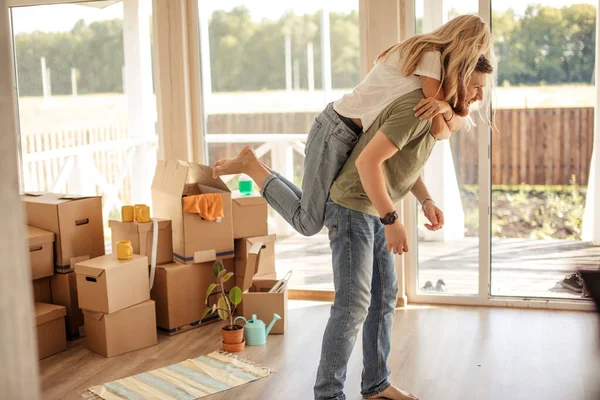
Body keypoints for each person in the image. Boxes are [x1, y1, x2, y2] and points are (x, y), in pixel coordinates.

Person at [214, 55, 494, 399]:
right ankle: (328, 394)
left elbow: (404, 163)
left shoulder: (435, 114)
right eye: (477, 87)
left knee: (384, 295)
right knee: (353, 304)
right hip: (353, 207)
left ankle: (375, 384)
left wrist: (426, 200)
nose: (480, 95)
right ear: (458, 79)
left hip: (371, 206)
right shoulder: (416, 109)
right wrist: (392, 219)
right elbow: (367, 162)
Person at [213, 15, 492, 238]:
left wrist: (445, 108)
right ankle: (251, 166)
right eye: (475, 52)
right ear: (463, 45)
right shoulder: (430, 56)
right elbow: (440, 130)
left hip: (351, 133)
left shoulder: (428, 56)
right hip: (336, 129)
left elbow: (444, 124)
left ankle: (255, 167)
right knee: (308, 222)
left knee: (313, 214)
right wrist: (444, 108)